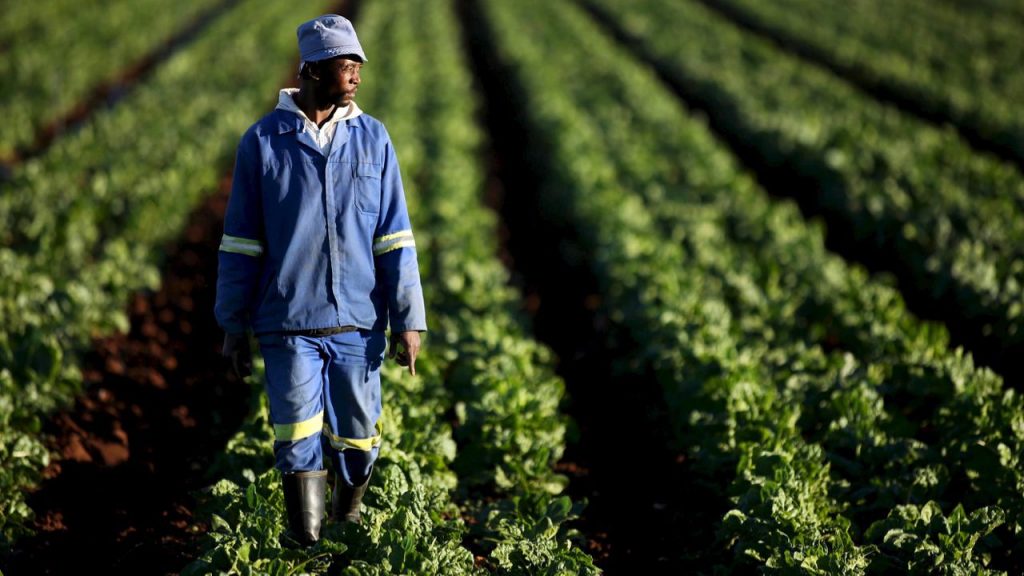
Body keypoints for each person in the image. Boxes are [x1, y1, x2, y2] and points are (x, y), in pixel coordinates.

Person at [214, 13, 426, 548]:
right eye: (344, 63)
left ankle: (346, 523)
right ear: (311, 69)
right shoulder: (263, 143)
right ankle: (305, 541)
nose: (355, 73)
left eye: (358, 64)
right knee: (296, 432)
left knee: (358, 437)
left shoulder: (374, 139)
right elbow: (240, 243)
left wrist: (409, 319)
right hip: (288, 322)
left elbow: (394, 237)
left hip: (359, 321)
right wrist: (233, 324)